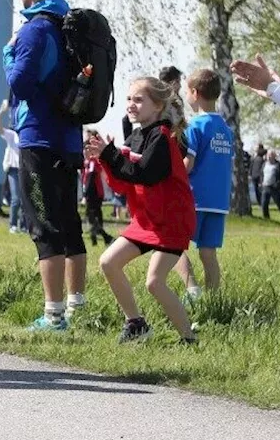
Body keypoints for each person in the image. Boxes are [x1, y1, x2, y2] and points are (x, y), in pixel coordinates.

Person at [2, 0, 87, 331]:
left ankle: (53, 316)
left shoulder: (35, 29)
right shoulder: (70, 27)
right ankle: (77, 308)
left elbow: (19, 83)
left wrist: (8, 53)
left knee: (42, 225)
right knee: (70, 224)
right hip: (70, 139)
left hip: (39, 138)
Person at [88, 77, 197, 344]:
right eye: (128, 99)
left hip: (171, 220)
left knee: (154, 283)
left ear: (158, 106)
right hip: (147, 220)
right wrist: (103, 158)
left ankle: (189, 339)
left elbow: (144, 174)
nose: (131, 105)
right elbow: (125, 182)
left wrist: (110, 155)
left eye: (139, 100)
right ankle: (136, 323)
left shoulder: (161, 137)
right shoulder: (137, 136)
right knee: (108, 262)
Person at [176, 68, 234, 297]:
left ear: (194, 92)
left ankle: (192, 290)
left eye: (186, 93)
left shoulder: (195, 127)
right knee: (208, 254)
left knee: (174, 246)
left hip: (195, 198)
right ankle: (214, 300)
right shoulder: (226, 130)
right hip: (219, 202)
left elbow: (187, 164)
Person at [0, 100, 24, 234]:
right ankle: (13, 225)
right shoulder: (12, 135)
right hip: (13, 169)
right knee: (16, 199)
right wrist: (1, 112)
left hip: (25, 169)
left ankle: (24, 226)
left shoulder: (27, 134)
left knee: (25, 200)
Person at [81, 129, 113, 246]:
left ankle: (105, 237)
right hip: (94, 191)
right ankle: (96, 239)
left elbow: (90, 177)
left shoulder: (93, 161)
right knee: (93, 216)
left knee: (92, 216)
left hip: (93, 191)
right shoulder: (88, 161)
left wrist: (85, 194)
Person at [262, 150, 280, 220]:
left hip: (274, 188)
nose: (269, 157)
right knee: (264, 204)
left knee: (279, 204)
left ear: (274, 156)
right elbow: (262, 174)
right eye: (268, 155)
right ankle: (266, 219)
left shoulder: (278, 165)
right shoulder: (264, 164)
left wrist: (277, 184)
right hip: (265, 186)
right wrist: (261, 182)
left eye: (271, 155)